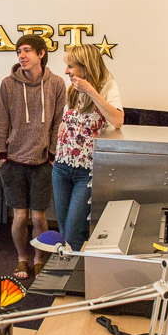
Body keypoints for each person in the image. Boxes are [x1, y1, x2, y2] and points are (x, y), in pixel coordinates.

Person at [0, 34, 65, 280]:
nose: (21, 56)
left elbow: (59, 123)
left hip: (43, 162)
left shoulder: (56, 84)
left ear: (41, 53)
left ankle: (39, 259)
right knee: (20, 215)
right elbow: (1, 120)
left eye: (26, 51)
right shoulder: (8, 84)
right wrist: (2, 156)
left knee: (38, 217)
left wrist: (52, 154)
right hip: (13, 161)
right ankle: (22, 259)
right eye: (19, 52)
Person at [52, 44, 124, 250]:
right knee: (64, 231)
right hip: (62, 167)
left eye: (71, 66)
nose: (67, 71)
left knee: (73, 233)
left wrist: (90, 91)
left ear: (86, 66)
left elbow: (117, 120)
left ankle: (74, 268)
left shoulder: (107, 86)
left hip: (87, 172)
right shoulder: (72, 89)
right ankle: (66, 265)